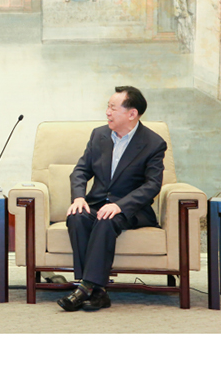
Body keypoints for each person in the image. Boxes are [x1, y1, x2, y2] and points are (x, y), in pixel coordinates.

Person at [57, 86, 166, 312]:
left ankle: (84, 288)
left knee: (106, 219)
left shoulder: (153, 143)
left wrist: (120, 205)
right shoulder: (99, 135)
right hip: (97, 203)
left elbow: (152, 185)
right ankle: (98, 291)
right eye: (108, 107)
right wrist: (78, 198)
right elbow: (80, 171)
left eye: (113, 108)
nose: (107, 112)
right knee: (77, 216)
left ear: (132, 113)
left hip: (131, 210)